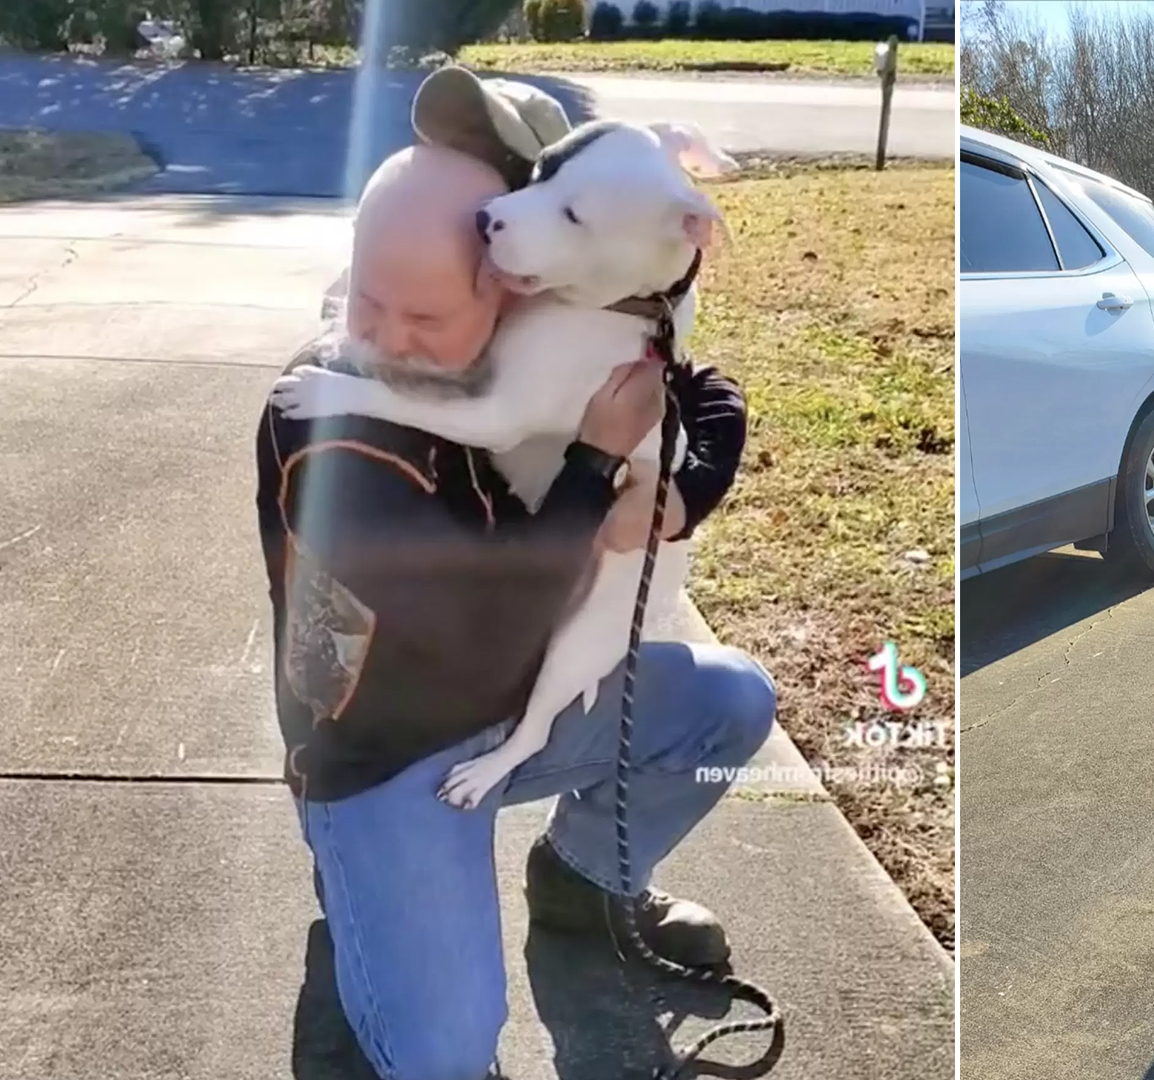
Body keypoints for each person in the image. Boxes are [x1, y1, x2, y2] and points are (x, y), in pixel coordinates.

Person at [253, 71, 773, 1080]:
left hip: (515, 707)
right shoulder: (333, 430)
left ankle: (583, 881)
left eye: (432, 317)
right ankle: (360, 945)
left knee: (731, 703)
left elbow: (701, 381)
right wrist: (588, 465)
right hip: (393, 755)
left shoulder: (540, 320)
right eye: (371, 297)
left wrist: (684, 487)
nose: (387, 337)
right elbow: (479, 626)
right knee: (444, 1052)